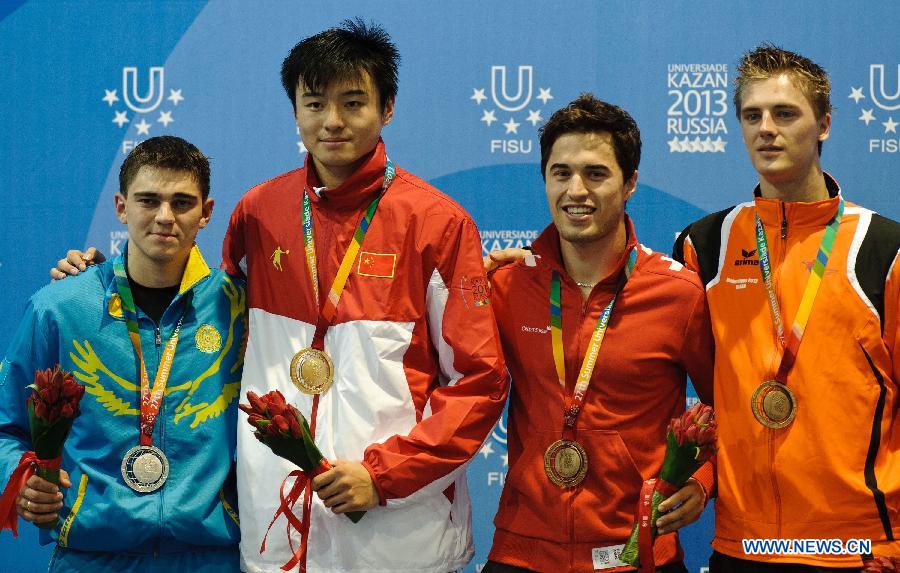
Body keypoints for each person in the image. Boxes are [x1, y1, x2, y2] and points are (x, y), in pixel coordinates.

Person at [53, 20, 507, 573]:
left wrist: (384, 475)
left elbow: (480, 382)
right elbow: (195, 315)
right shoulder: (258, 213)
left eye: (354, 102)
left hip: (398, 534)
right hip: (275, 530)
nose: (332, 122)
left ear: (387, 108)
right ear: (295, 110)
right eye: (314, 103)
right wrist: (102, 279)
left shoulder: (438, 224)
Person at [673, 45, 900, 571]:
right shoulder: (704, 245)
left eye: (785, 114)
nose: (766, 129)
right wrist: (529, 263)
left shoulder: (883, 249)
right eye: (752, 116)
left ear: (823, 124)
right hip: (742, 545)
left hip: (857, 548)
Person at [483, 94, 714, 573]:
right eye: (561, 173)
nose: (576, 190)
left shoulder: (678, 295)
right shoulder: (506, 286)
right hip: (522, 552)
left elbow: (728, 410)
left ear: (630, 183)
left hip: (635, 551)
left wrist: (704, 480)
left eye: (596, 173)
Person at [0, 135, 246, 572]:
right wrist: (18, 477)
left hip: (210, 558)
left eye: (182, 202)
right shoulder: (60, 308)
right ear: (121, 206)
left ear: (207, 213)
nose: (164, 217)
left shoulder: (240, 309)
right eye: (148, 200)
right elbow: (5, 425)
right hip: (91, 557)